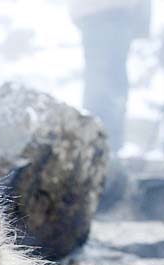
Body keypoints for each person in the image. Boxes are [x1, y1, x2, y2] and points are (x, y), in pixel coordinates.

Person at [70, 0, 151, 152]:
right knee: (107, 83)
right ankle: (103, 147)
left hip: (106, 13)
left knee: (105, 81)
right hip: (110, 12)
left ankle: (101, 146)